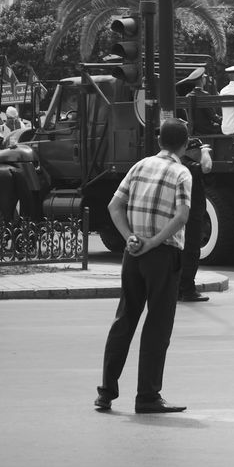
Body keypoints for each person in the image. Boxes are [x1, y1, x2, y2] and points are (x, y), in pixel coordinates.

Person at [95, 120, 193, 413]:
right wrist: (153, 242)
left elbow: (114, 206)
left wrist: (131, 239)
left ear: (160, 140)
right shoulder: (181, 172)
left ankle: (106, 393)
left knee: (124, 320)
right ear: (185, 144)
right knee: (157, 326)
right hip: (162, 255)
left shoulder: (139, 166)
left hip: (133, 254)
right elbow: (182, 215)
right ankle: (147, 395)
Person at [179, 138, 213, 303]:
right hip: (190, 217)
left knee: (186, 252)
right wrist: (206, 151)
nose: (201, 153)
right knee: (191, 252)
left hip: (190, 215)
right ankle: (187, 289)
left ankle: (180, 288)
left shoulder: (185, 163)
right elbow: (207, 167)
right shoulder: (187, 164)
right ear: (192, 151)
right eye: (199, 151)